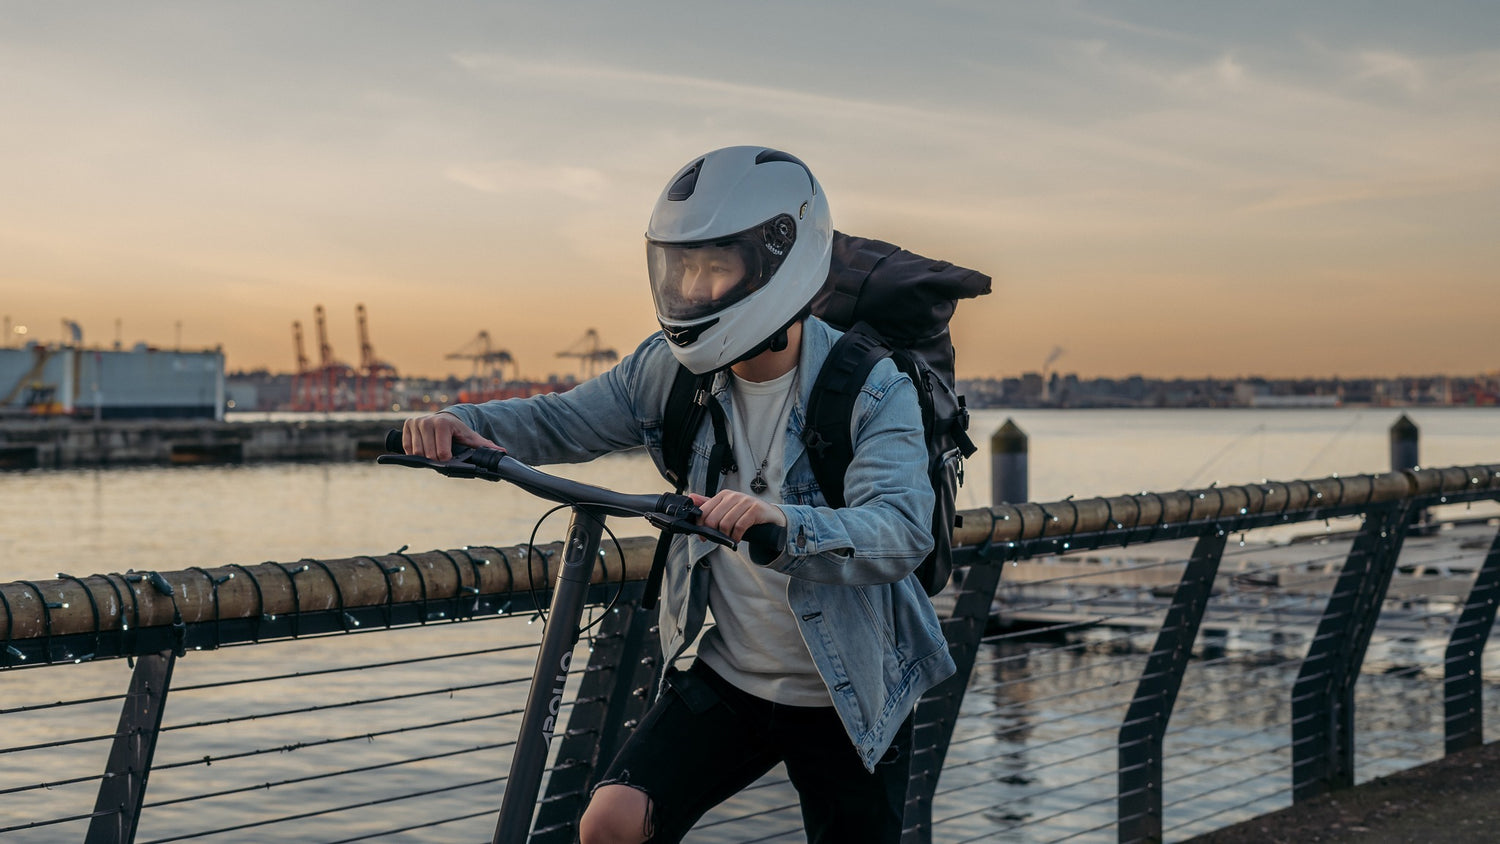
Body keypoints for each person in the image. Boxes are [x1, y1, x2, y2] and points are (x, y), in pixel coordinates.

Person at [403, 146, 956, 844]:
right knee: (612, 820)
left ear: (779, 263)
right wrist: (466, 424)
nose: (692, 286)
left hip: (851, 689)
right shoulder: (668, 373)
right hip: (730, 674)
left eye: (715, 266)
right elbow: (563, 418)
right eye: (681, 266)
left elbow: (901, 528)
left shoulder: (874, 388)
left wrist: (785, 523)